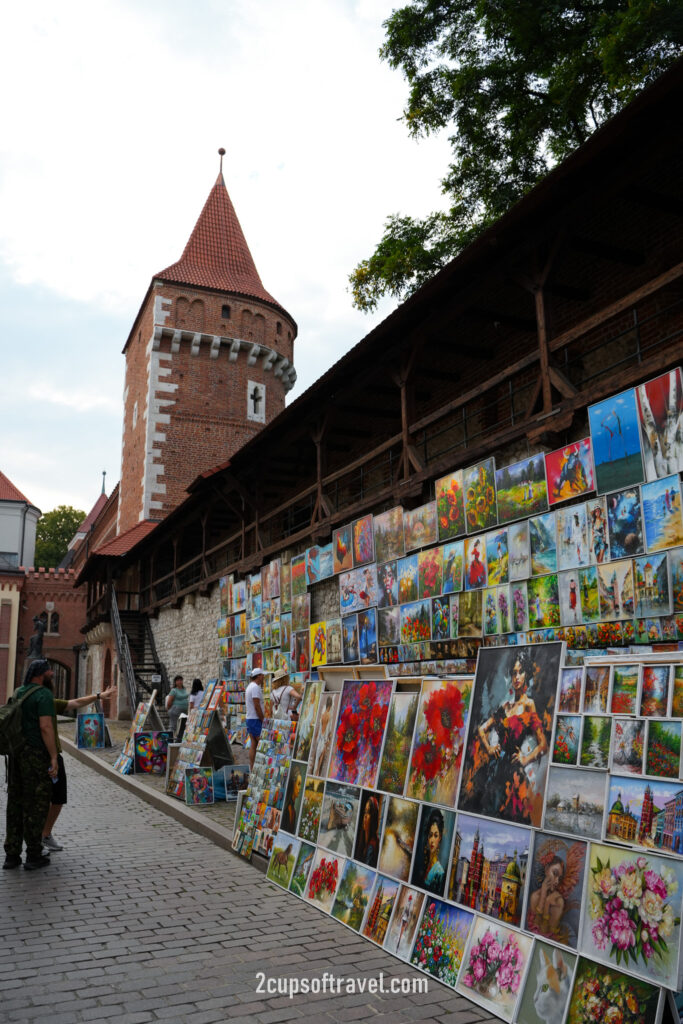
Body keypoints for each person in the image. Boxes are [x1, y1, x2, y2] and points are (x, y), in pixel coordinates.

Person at [472, 649, 548, 824]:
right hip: (495, 770)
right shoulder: (505, 706)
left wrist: (525, 758)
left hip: (513, 775)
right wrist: (490, 748)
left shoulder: (529, 705)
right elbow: (481, 729)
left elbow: (543, 745)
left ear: (527, 674)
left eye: (520, 672)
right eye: (514, 673)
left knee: (509, 818)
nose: (517, 677)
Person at [42, 682, 117, 853]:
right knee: (47, 799)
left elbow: (74, 703)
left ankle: (43, 835)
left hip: (39, 756)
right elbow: (45, 727)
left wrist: (98, 696)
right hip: (44, 756)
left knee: (57, 797)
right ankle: (40, 838)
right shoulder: (41, 700)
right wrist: (53, 756)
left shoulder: (46, 701)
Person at [3, 659, 58, 871]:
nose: (51, 673)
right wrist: (53, 756)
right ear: (40, 674)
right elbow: (45, 727)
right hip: (35, 755)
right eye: (48, 670)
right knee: (36, 803)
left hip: (16, 754)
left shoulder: (19, 692)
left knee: (15, 802)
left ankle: (12, 854)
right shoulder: (43, 695)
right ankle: (34, 853)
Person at [415, 808, 445, 894]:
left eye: (435, 835)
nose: (432, 840)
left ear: (440, 838)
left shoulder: (439, 872)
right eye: (430, 835)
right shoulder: (425, 863)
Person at [245, 667, 265, 769]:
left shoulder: (250, 686)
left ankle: (252, 767)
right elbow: (257, 705)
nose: (263, 678)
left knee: (253, 743)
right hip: (255, 719)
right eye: (262, 676)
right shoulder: (255, 688)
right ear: (259, 676)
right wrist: (263, 719)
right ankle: (261, 767)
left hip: (250, 718)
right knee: (262, 744)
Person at [354, 794, 380, 867]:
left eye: (368, 812)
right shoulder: (363, 840)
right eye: (365, 811)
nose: (365, 816)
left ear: (373, 818)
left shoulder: (372, 846)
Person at [282, 764, 302, 832]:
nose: (300, 787)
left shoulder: (293, 811)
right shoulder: (286, 809)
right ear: (293, 784)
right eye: (298, 784)